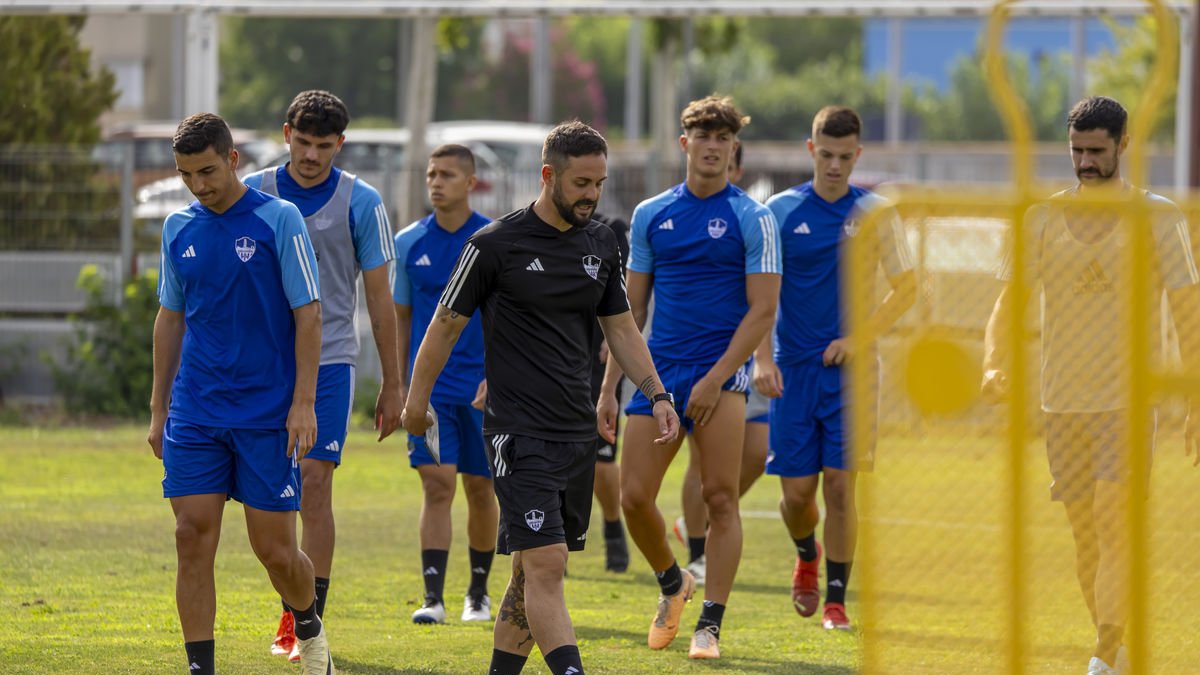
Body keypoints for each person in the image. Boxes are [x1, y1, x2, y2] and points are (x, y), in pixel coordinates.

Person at [401, 120, 679, 675]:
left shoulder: (601, 243)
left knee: (529, 573)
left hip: (576, 433)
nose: (592, 195)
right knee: (548, 565)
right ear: (548, 175)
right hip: (516, 432)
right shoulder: (492, 245)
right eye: (581, 183)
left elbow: (621, 328)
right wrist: (415, 401)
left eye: (599, 183)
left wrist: (657, 393)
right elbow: (444, 325)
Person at [982, 95, 1200, 675]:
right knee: (1086, 539)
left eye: (1097, 151)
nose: (1085, 162)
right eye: (1077, 150)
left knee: (1111, 519)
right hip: (1061, 403)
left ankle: (1102, 656)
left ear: (1124, 145)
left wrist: (1194, 397)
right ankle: (1117, 649)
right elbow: (1008, 303)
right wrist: (993, 361)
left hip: (1128, 401)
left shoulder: (1158, 217)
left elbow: (1189, 312)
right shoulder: (1041, 219)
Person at [147, 112, 334, 675]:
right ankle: (200, 667)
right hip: (196, 411)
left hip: (266, 414)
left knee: (275, 551)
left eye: (207, 171)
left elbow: (309, 315)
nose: (197, 185)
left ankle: (307, 624)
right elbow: (170, 318)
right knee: (190, 535)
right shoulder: (178, 227)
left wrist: (303, 403)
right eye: (186, 175)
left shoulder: (280, 219)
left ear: (232, 160)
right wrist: (158, 409)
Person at [598, 95, 781, 660]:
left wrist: (718, 379)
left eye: (723, 138)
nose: (712, 146)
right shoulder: (652, 214)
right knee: (633, 497)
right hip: (658, 377)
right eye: (703, 136)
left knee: (720, 497)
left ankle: (710, 626)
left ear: (734, 148)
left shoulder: (754, 217)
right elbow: (629, 312)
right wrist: (609, 388)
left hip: (721, 379)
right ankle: (674, 582)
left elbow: (762, 312)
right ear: (685, 143)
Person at [243, 90, 403, 661]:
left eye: (324, 145)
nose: (311, 155)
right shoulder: (254, 192)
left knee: (314, 483)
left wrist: (394, 382)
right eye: (304, 142)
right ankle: (296, 606)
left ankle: (304, 625)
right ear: (287, 134)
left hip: (332, 359)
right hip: (265, 365)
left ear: (341, 144)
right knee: (271, 495)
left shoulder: (362, 201)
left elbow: (380, 300)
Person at [758, 106, 915, 632]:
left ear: (858, 155)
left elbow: (908, 288)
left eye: (845, 157)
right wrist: (761, 359)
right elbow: (758, 293)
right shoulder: (779, 211)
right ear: (811, 150)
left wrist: (857, 338)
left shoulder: (876, 213)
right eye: (826, 155)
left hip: (853, 376)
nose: (834, 166)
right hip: (792, 372)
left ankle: (836, 601)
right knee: (796, 497)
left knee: (842, 489)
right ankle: (807, 553)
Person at [392, 144, 499, 623]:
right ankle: (432, 598)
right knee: (437, 487)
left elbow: (510, 319)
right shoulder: (409, 242)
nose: (436, 182)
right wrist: (401, 384)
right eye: (432, 174)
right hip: (431, 392)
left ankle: (478, 592)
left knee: (480, 488)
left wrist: (498, 375)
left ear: (471, 183)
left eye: (447, 175)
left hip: (481, 391)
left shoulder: (494, 240)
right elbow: (401, 319)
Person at [671, 141, 771, 585]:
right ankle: (697, 552)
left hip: (747, 358)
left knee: (757, 455)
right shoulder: (678, 216)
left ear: (737, 167)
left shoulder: (753, 219)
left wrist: (763, 357)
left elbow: (764, 304)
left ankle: (706, 525)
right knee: (702, 462)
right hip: (703, 361)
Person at [587, 211, 633, 573]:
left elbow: (628, 291)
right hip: (556, 357)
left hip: (598, 360)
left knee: (602, 461)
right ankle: (551, 538)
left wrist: (612, 337)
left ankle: (613, 525)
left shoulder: (612, 229)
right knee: (553, 455)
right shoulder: (535, 228)